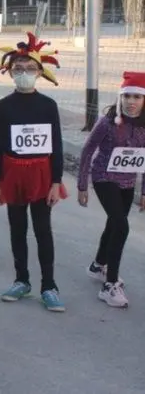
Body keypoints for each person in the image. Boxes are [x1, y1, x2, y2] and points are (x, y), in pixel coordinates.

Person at [0, 32, 66, 312]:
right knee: (17, 228)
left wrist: (56, 181)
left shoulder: (48, 106)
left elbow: (56, 145)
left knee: (43, 229)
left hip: (41, 175)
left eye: (30, 68)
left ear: (39, 72)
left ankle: (49, 286)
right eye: (19, 69)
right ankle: (21, 280)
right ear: (10, 72)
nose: (24, 73)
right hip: (13, 175)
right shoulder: (3, 107)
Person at [78, 71, 145, 308]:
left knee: (114, 224)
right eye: (127, 96)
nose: (131, 102)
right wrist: (82, 185)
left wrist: (144, 192)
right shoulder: (107, 122)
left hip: (127, 182)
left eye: (137, 97)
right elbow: (87, 150)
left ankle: (98, 265)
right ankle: (110, 284)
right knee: (122, 226)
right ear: (120, 97)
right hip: (103, 177)